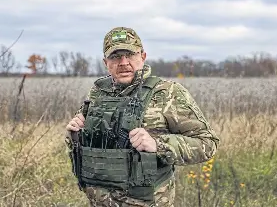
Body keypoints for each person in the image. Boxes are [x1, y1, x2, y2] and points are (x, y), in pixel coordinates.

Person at [65, 27, 220, 207]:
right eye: (115, 56)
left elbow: (208, 143)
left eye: (129, 54)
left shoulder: (167, 93)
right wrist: (74, 135)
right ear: (105, 62)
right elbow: (82, 148)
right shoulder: (98, 92)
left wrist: (159, 145)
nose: (123, 62)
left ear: (143, 57)